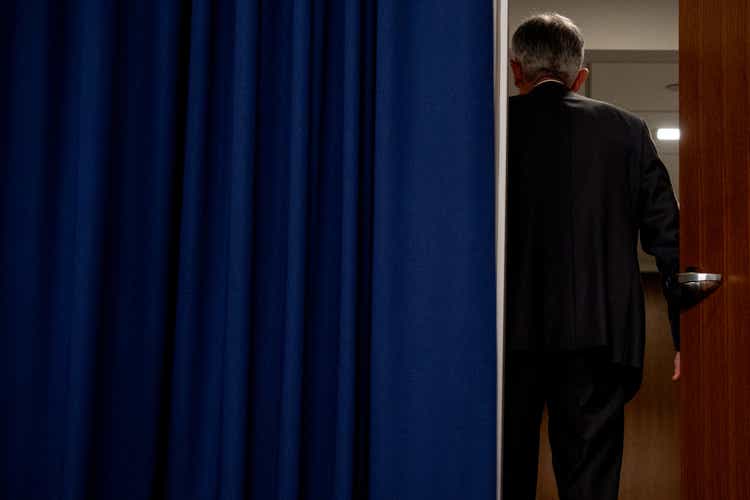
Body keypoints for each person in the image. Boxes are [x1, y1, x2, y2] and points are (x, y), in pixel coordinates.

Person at [503, 13, 681, 500]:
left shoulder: (490, 133)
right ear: (581, 75)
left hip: (504, 341)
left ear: (515, 70)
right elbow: (669, 237)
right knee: (590, 486)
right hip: (598, 339)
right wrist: (688, 335)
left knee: (500, 476)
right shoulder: (627, 131)